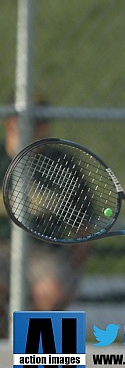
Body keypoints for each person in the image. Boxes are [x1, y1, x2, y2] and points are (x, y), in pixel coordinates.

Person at [0, 94, 88, 336]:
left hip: (46, 252)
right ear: (11, 123)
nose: (39, 130)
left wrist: (72, 270)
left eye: (41, 124)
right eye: (30, 123)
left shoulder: (63, 165)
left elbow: (85, 229)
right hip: (2, 249)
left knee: (53, 290)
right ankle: (5, 356)